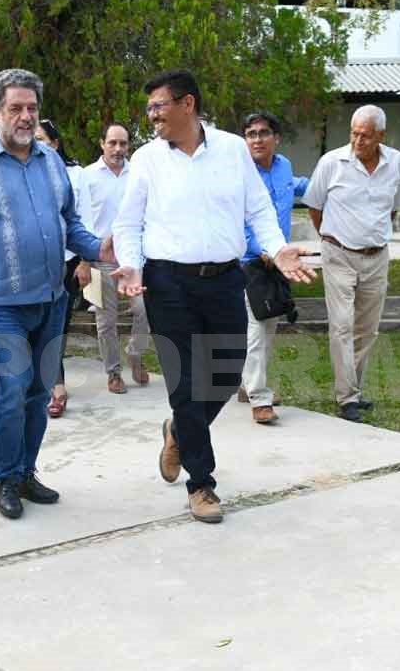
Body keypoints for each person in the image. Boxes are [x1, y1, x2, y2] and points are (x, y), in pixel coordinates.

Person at [111, 69, 315, 524]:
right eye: (149, 109)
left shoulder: (231, 151)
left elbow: (258, 209)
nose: (152, 116)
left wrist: (277, 249)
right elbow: (128, 223)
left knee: (223, 375)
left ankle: (179, 432)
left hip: (225, 278)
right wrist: (132, 264)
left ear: (187, 104)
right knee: (184, 383)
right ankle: (201, 484)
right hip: (167, 283)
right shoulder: (147, 160)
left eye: (159, 106)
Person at [0, 69, 114, 520]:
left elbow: (69, 222)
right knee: (12, 389)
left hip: (52, 299)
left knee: (38, 392)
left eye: (32, 108)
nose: (25, 116)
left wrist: (98, 248)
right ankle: (5, 478)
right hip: (3, 303)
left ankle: (26, 471)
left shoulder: (52, 162)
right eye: (15, 108)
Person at [302, 104, 400, 423]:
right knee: (341, 325)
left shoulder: (397, 164)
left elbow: (394, 207)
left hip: (377, 255)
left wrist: (374, 233)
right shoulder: (332, 162)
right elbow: (314, 206)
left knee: (367, 329)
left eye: (365, 135)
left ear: (381, 135)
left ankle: (355, 389)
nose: (358, 140)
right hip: (338, 253)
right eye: (354, 133)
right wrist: (330, 236)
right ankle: (346, 398)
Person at [237, 111, 310, 424]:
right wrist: (263, 249)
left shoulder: (284, 168)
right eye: (251, 134)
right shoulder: (239, 173)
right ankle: (259, 398)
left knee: (268, 325)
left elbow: (297, 187)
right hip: (249, 263)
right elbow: (238, 219)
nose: (257, 139)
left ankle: (247, 384)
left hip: (279, 263)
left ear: (275, 138)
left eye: (263, 133)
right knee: (258, 327)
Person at [84, 121, 151, 395]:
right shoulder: (87, 177)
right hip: (98, 259)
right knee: (105, 321)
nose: (118, 148)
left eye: (123, 143)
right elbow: (81, 222)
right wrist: (84, 260)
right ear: (102, 143)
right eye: (112, 142)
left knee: (144, 310)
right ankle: (113, 373)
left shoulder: (139, 175)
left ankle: (135, 353)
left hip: (135, 259)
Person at [33, 119, 94, 418]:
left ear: (56, 143)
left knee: (58, 324)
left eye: (43, 138)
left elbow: (84, 219)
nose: (37, 143)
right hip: (35, 263)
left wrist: (85, 260)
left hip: (68, 261)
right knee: (40, 324)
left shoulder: (76, 175)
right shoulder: (24, 173)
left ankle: (53, 382)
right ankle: (54, 387)